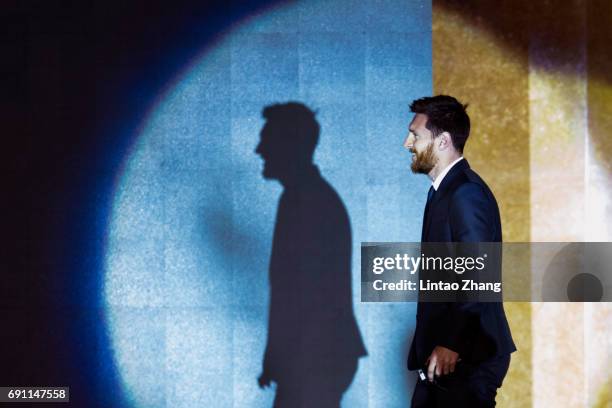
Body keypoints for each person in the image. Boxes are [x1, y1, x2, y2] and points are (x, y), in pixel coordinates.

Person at [403, 95, 516, 407]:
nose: (407, 143)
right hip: (450, 356)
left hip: (466, 355)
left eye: (415, 135)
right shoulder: (443, 192)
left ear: (443, 141)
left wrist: (452, 341)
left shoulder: (465, 193)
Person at [256, 102, 367, 408]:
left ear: (288, 145)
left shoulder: (306, 201)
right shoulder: (308, 197)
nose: (259, 149)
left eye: (266, 139)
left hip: (315, 356)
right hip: (319, 355)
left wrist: (279, 356)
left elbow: (298, 292)